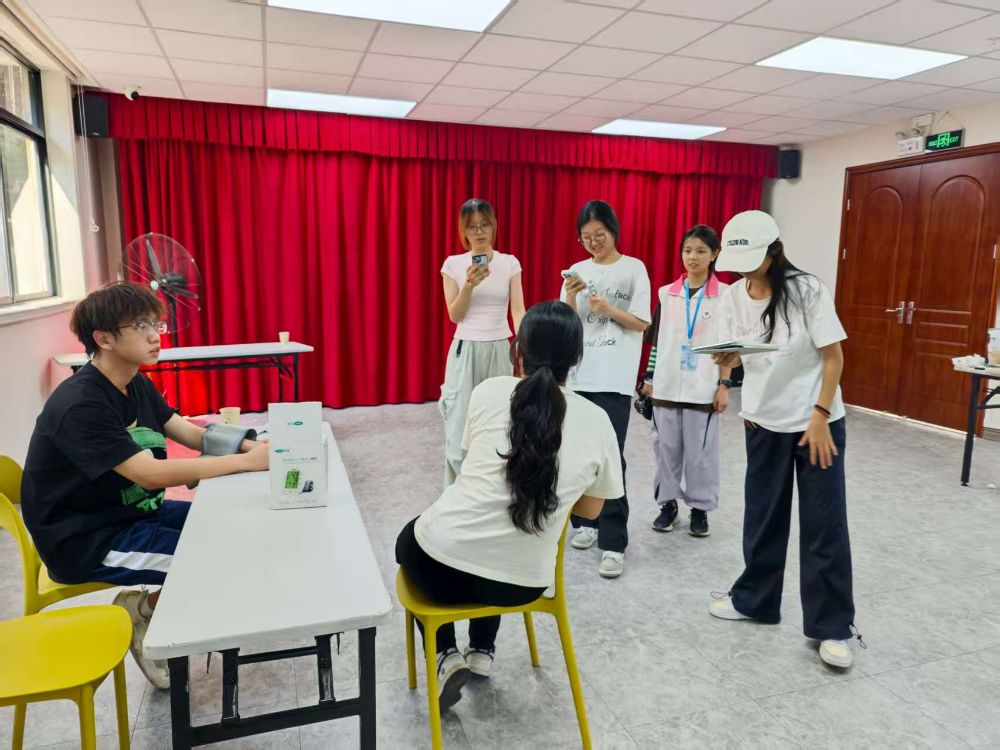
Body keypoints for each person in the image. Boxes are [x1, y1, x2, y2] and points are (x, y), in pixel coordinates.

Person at [20, 282, 269, 688]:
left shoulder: (134, 381)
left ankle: (146, 609)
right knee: (214, 559)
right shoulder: (81, 404)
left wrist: (252, 446)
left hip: (132, 512)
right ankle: (149, 615)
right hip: (88, 539)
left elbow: (188, 432)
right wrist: (244, 463)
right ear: (104, 339)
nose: (156, 336)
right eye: (140, 326)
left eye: (156, 324)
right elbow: (147, 474)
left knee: (226, 528)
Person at [396, 301, 623, 710]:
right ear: (576, 358)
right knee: (504, 543)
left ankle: (445, 655)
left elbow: (475, 464)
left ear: (517, 351)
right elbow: (590, 512)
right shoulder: (598, 421)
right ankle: (482, 650)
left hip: (439, 570)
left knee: (411, 540)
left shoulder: (488, 392)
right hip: (520, 586)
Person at [706, 210, 859, 669]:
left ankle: (832, 627)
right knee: (763, 517)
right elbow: (734, 359)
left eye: (752, 263)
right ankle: (754, 601)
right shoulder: (732, 296)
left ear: (774, 252)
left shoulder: (807, 290)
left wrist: (820, 415)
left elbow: (833, 357)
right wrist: (727, 362)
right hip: (763, 421)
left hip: (817, 422)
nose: (745, 273)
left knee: (823, 523)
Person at [561, 200, 651, 579]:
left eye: (600, 235)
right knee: (580, 455)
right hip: (580, 375)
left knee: (611, 457)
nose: (594, 242)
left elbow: (642, 322)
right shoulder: (578, 270)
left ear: (613, 231)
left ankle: (613, 542)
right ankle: (586, 522)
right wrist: (571, 296)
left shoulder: (633, 268)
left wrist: (606, 308)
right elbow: (567, 323)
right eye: (586, 237)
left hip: (614, 377)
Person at [643, 225, 732, 538]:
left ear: (715, 254)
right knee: (665, 450)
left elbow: (728, 347)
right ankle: (667, 505)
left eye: (701, 251)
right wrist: (649, 377)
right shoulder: (666, 294)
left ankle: (700, 508)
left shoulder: (725, 296)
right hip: (666, 384)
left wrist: (724, 385)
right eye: (688, 250)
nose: (693, 257)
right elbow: (656, 341)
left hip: (703, 388)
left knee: (701, 453)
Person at [439, 198, 526, 486]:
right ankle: (456, 494)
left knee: (499, 424)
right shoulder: (453, 264)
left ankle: (494, 490)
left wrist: (524, 347)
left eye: (484, 225)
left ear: (494, 226)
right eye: (472, 226)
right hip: (465, 348)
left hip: (500, 347)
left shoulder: (509, 263)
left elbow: (518, 310)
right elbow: (455, 315)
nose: (479, 232)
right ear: (463, 231)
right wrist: (469, 285)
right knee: (458, 429)